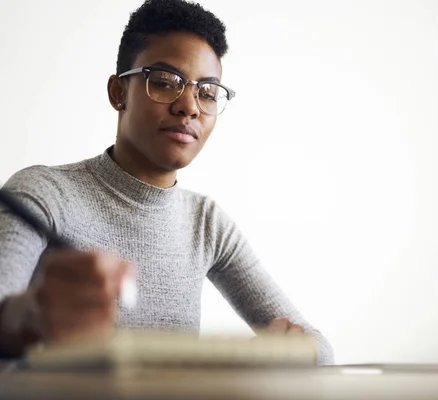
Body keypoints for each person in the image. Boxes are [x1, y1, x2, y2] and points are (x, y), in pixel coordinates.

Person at [0, 0, 333, 365]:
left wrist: (287, 353)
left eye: (207, 92)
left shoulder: (207, 224)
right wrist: (30, 317)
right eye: (164, 82)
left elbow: (320, 348)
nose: (189, 106)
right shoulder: (44, 194)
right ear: (118, 93)